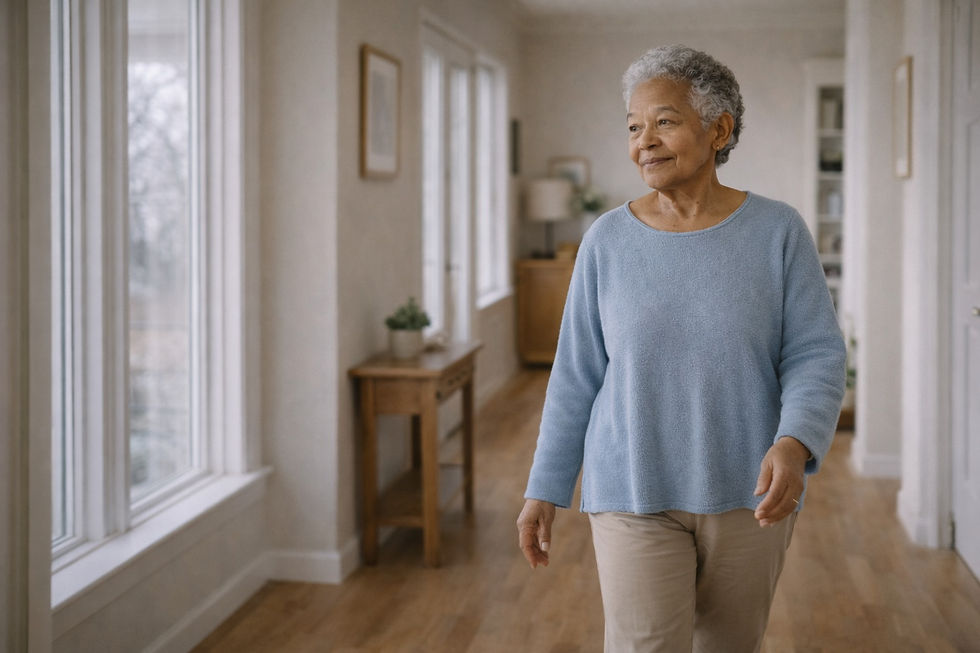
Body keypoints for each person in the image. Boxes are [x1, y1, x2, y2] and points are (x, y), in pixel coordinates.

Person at [516, 44, 846, 653]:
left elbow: (816, 354)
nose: (645, 140)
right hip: (631, 488)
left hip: (751, 494)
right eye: (634, 127)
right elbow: (575, 374)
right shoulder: (606, 241)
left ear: (719, 129)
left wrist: (795, 444)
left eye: (664, 121)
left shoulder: (778, 232)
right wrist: (545, 486)